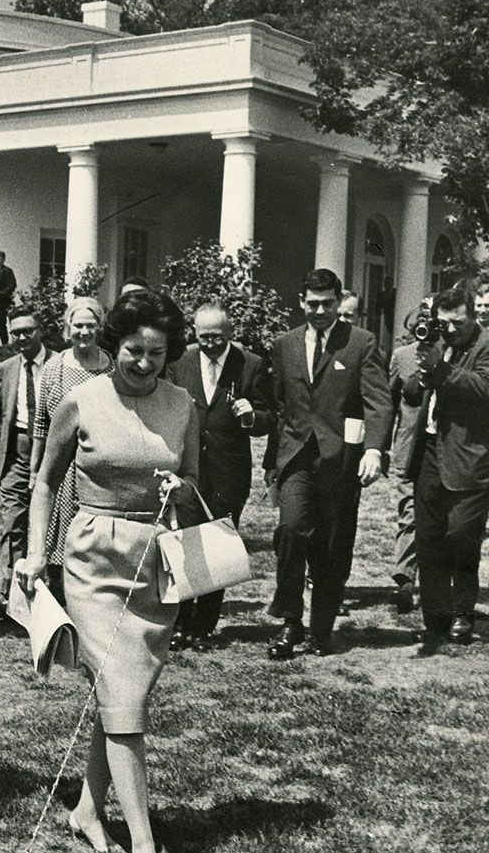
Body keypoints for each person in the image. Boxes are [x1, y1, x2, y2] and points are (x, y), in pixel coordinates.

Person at [16, 292, 199, 853]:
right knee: (121, 694)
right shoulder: (82, 400)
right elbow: (44, 481)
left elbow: (193, 478)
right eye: (132, 351)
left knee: (123, 691)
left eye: (156, 353)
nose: (144, 363)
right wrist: (36, 554)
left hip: (155, 561)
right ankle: (144, 846)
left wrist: (182, 485)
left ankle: (88, 810)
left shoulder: (183, 405)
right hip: (93, 559)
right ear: (113, 347)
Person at [264, 268, 393, 658]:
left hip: (341, 461)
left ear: (338, 303)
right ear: (301, 302)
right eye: (313, 303)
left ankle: (321, 629)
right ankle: (290, 622)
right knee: (291, 530)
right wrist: (273, 461)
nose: (320, 310)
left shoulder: (360, 343)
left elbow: (378, 401)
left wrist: (374, 449)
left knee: (333, 545)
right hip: (296, 456)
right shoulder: (284, 344)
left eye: (328, 304)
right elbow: (280, 406)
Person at [169, 302, 275, 649]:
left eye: (217, 337)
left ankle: (204, 626)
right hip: (188, 469)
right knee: (186, 544)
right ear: (194, 333)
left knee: (216, 546)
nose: (210, 343)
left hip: (229, 471)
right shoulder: (180, 363)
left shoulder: (251, 365)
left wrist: (250, 416)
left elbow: (270, 415)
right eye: (203, 337)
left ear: (230, 333)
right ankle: (181, 622)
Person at [402, 287, 489, 647]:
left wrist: (440, 367)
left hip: (470, 457)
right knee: (430, 539)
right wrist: (423, 373)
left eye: (458, 321)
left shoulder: (485, 345)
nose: (451, 328)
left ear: (472, 315)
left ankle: (463, 612)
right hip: (430, 455)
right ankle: (436, 619)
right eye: (444, 321)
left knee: (461, 537)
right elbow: (409, 392)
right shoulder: (437, 339)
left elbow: (482, 389)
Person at [29, 297, 113, 603]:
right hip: (61, 469)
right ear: (68, 328)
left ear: (100, 328)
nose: (84, 331)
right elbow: (41, 422)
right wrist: (35, 468)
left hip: (97, 468)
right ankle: (61, 604)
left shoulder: (111, 366)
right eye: (78, 325)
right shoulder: (54, 367)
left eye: (91, 325)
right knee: (58, 545)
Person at [0, 304, 53, 619]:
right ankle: (9, 593)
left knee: (48, 521)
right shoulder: (7, 368)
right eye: (16, 332)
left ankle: (49, 591)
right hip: (16, 450)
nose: (22, 337)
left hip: (54, 449)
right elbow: (1, 418)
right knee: (13, 521)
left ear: (41, 330)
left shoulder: (59, 365)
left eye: (28, 330)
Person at [386, 299, 434, 615]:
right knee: (410, 513)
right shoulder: (402, 358)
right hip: (406, 450)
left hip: (438, 452)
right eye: (422, 317)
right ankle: (405, 579)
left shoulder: (450, 357)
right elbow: (388, 404)